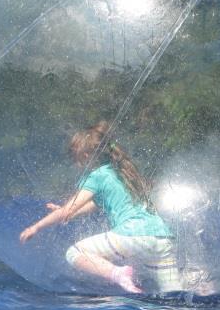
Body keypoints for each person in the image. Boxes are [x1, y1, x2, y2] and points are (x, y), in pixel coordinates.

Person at [20, 121, 179, 294]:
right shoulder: (121, 172)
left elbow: (66, 210)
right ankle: (197, 282)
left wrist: (35, 227)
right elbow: (90, 205)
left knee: (74, 253)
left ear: (86, 155)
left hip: (134, 235)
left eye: (76, 157)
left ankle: (119, 274)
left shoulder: (97, 175)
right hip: (163, 238)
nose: (76, 163)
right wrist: (68, 212)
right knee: (174, 296)